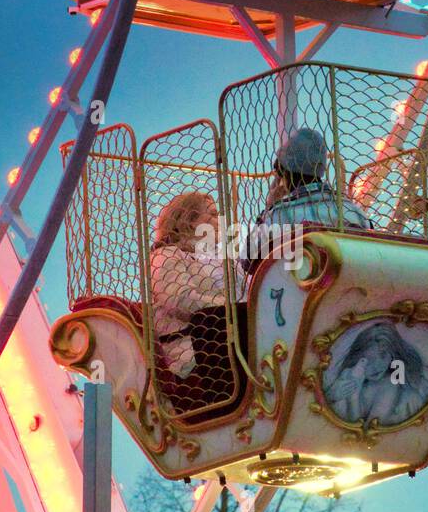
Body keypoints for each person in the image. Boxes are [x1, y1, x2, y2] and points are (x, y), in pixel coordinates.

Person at [242, 126, 372, 273]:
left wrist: (269, 207)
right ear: (321, 168)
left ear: (284, 173)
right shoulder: (355, 212)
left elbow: (247, 261)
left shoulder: (279, 216)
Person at [149, 191, 228, 384]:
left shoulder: (219, 260)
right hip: (194, 353)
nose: (220, 222)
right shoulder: (167, 255)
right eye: (212, 215)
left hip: (224, 342)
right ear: (190, 221)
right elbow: (180, 300)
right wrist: (231, 307)